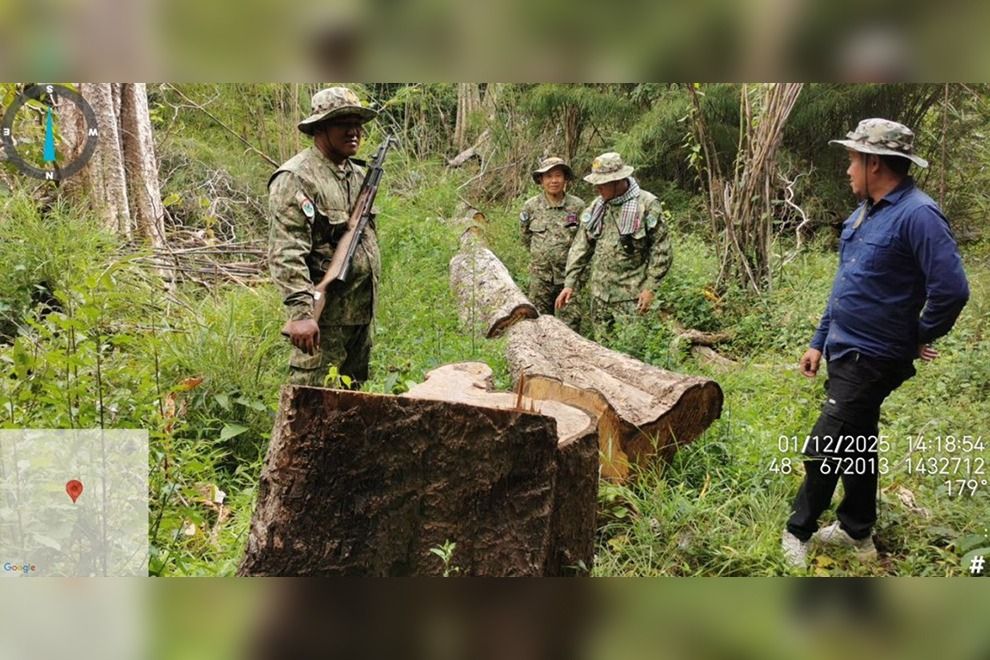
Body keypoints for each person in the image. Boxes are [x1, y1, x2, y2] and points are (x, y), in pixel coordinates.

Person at [781, 118, 970, 568]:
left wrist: (914, 336)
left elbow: (953, 290)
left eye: (852, 160)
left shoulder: (919, 215)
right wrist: (818, 340)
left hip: (874, 356)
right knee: (857, 438)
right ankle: (856, 531)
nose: (847, 169)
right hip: (845, 349)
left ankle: (798, 531)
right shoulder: (867, 210)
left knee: (824, 445)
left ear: (875, 163)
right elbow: (847, 283)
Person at [268, 87, 381, 388]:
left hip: (358, 316)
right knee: (311, 407)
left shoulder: (357, 175)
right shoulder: (297, 177)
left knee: (352, 405)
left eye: (357, 123)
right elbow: (286, 251)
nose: (354, 131)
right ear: (320, 127)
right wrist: (302, 314)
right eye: (343, 123)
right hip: (323, 322)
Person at [554, 152, 671, 338]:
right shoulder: (598, 206)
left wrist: (650, 288)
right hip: (600, 296)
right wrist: (569, 283)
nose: (597, 188)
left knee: (632, 352)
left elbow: (661, 251)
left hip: (631, 297)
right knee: (603, 352)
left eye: (602, 184)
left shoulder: (646, 205)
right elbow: (581, 247)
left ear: (618, 181)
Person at [519, 156, 585, 328]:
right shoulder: (530, 206)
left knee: (570, 325)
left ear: (565, 179)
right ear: (541, 180)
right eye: (548, 176)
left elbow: (585, 242)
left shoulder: (577, 206)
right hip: (541, 278)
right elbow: (526, 237)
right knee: (538, 323)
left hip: (568, 278)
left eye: (558, 176)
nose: (554, 181)